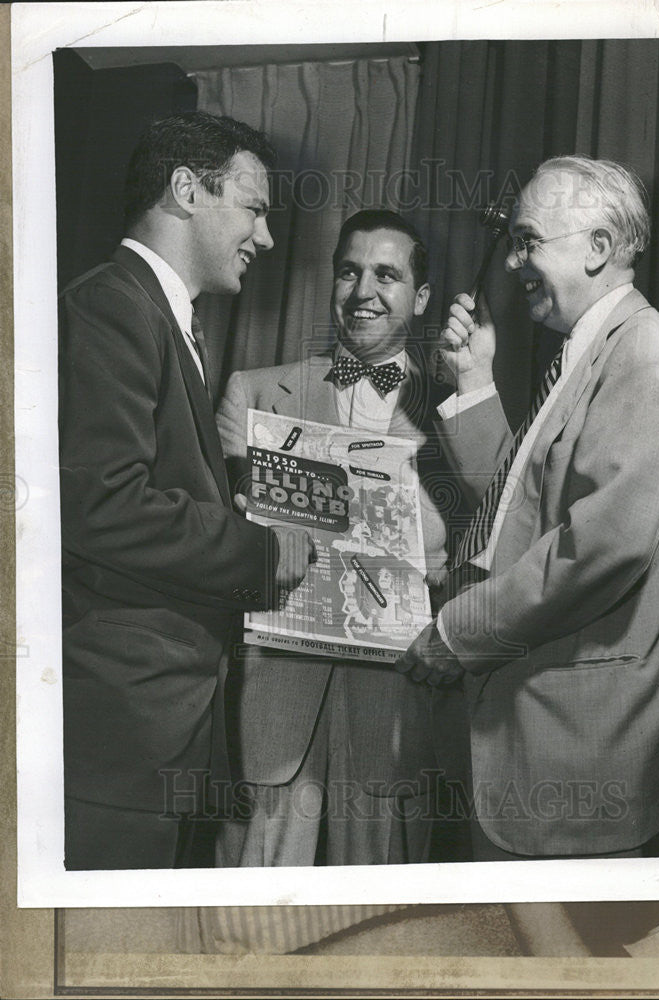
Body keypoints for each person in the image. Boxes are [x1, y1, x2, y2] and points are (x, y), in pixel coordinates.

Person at [397, 155, 659, 863]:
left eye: (529, 240)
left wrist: (459, 631)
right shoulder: (592, 350)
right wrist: (474, 380)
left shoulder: (648, 351)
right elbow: (524, 514)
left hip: (578, 749)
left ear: (599, 248)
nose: (511, 263)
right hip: (537, 736)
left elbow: (603, 546)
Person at [59, 111, 315, 871]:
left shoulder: (163, 317)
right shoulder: (110, 305)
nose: (265, 238)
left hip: (161, 732)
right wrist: (263, 550)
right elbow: (103, 504)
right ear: (186, 191)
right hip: (123, 732)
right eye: (255, 207)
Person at [214, 209, 457, 866]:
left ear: (421, 296)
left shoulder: (461, 415)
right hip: (276, 695)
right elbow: (225, 543)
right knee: (253, 907)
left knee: (381, 915)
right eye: (349, 272)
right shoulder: (255, 393)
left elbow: (479, 556)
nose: (363, 292)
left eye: (387, 275)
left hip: (398, 702)